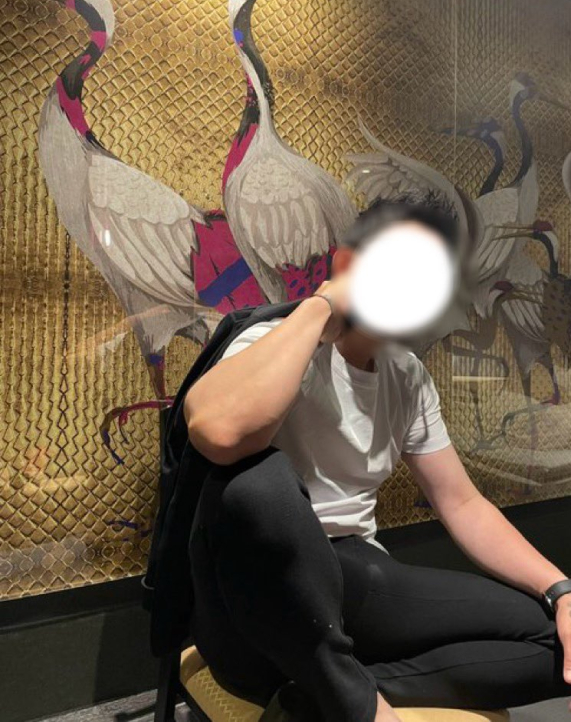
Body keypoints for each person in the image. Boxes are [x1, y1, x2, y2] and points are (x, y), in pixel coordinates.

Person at [183, 195, 571, 722]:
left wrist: (560, 590)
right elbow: (220, 432)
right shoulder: (275, 342)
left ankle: (316, 699)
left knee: (555, 641)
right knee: (258, 482)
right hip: (252, 609)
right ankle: (357, 702)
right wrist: (320, 306)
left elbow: (461, 503)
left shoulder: (405, 374)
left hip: (352, 590)